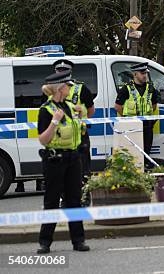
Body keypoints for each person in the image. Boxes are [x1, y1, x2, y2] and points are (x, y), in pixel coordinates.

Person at [37, 71, 90, 254]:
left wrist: (80, 117)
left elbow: (80, 128)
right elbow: (43, 139)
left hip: (73, 158)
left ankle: (78, 240)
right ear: (60, 88)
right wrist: (54, 122)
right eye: (68, 85)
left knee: (74, 200)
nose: (70, 87)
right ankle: (45, 242)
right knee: (51, 200)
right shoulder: (46, 110)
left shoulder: (70, 106)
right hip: (54, 160)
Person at [52, 59, 95, 193]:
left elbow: (91, 110)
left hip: (80, 136)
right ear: (55, 72)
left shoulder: (81, 88)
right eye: (60, 71)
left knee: (83, 169)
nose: (62, 74)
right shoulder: (50, 90)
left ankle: (84, 196)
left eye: (65, 71)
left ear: (70, 73)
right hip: (60, 137)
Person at [114, 62, 159, 169]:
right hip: (132, 127)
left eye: (146, 73)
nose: (145, 75)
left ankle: (146, 172)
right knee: (132, 153)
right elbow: (118, 107)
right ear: (135, 74)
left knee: (146, 153)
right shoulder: (126, 89)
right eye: (142, 73)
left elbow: (153, 106)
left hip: (147, 126)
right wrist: (128, 120)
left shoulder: (151, 89)